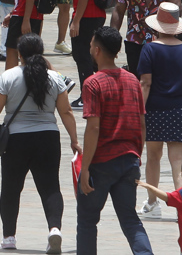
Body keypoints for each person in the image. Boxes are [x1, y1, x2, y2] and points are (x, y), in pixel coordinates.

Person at [0, 33, 78, 253]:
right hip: (48, 138)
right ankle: (54, 230)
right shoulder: (54, 78)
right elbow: (66, 111)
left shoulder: (9, 76)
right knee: (50, 188)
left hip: (16, 141)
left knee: (11, 188)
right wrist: (74, 140)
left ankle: (9, 237)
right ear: (40, 53)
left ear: (19, 54)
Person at [77, 26, 153, 255]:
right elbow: (141, 124)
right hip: (129, 159)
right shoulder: (132, 81)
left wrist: (86, 167)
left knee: (88, 222)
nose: (89, 49)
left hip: (101, 162)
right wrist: (137, 155)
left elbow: (93, 128)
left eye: (91, 46)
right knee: (130, 220)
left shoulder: (93, 83)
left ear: (98, 50)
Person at [136, 3, 182, 220]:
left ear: (157, 26)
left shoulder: (150, 48)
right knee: (177, 160)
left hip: (155, 109)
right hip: (181, 109)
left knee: (153, 157)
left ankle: (153, 203)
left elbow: (145, 83)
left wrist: (139, 111)